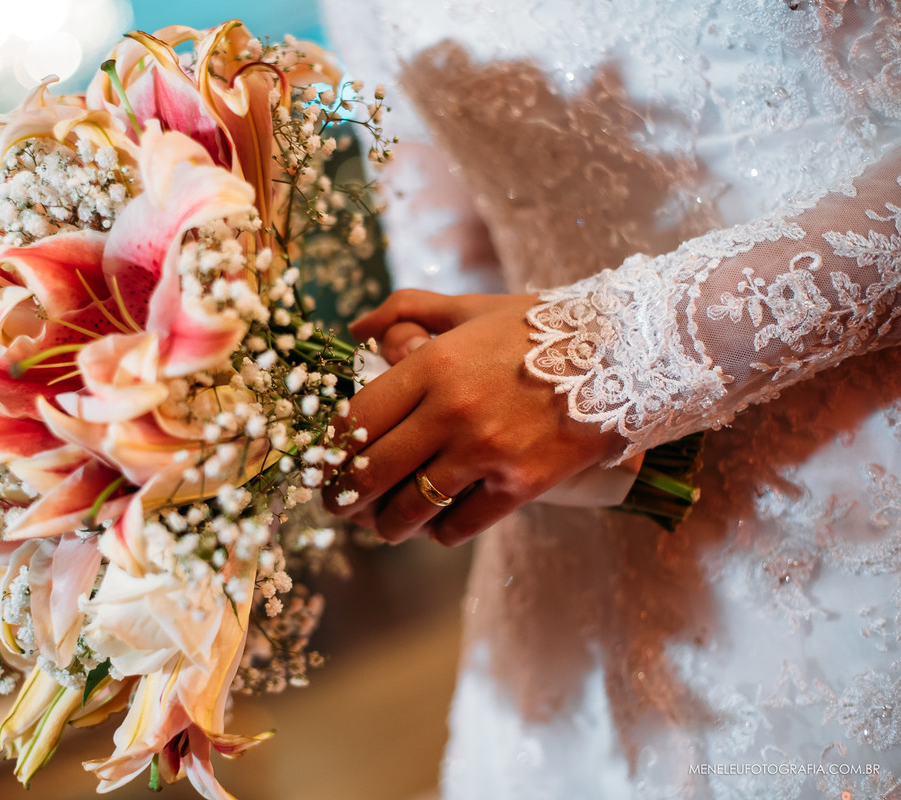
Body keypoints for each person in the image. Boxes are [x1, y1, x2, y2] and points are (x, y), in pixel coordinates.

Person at [319, 1, 901, 797]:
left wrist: (607, 357)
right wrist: (428, 399)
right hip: (571, 560)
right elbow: (442, 241)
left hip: (858, 502)